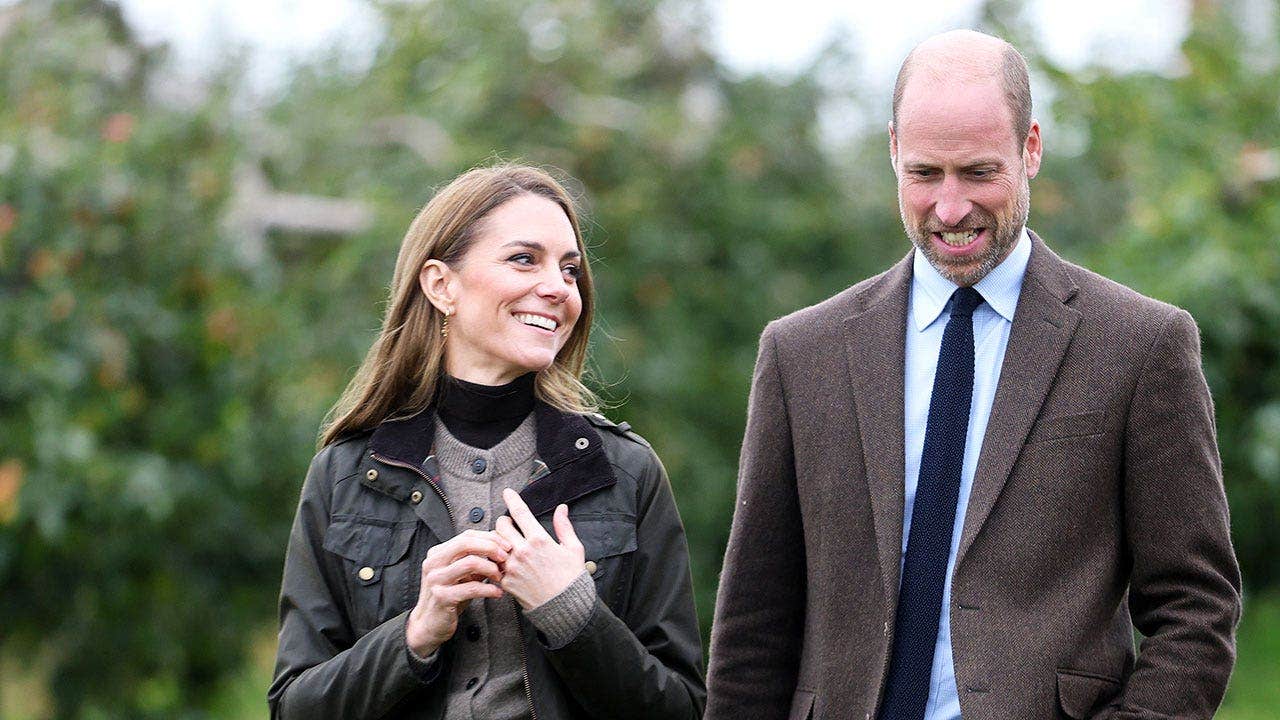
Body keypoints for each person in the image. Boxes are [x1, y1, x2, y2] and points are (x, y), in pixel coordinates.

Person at [705, 30, 1240, 720]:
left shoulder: (1140, 345)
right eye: (925, 174)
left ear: (1031, 149)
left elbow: (1196, 607)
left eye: (979, 173)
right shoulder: (800, 354)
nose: (950, 208)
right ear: (893, 150)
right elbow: (753, 623)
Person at [269, 164, 705, 720]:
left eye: (570, 270)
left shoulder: (625, 471)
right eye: (524, 259)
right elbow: (293, 708)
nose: (558, 288)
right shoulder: (346, 473)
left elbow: (684, 708)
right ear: (440, 285)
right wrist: (414, 634)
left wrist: (573, 614)